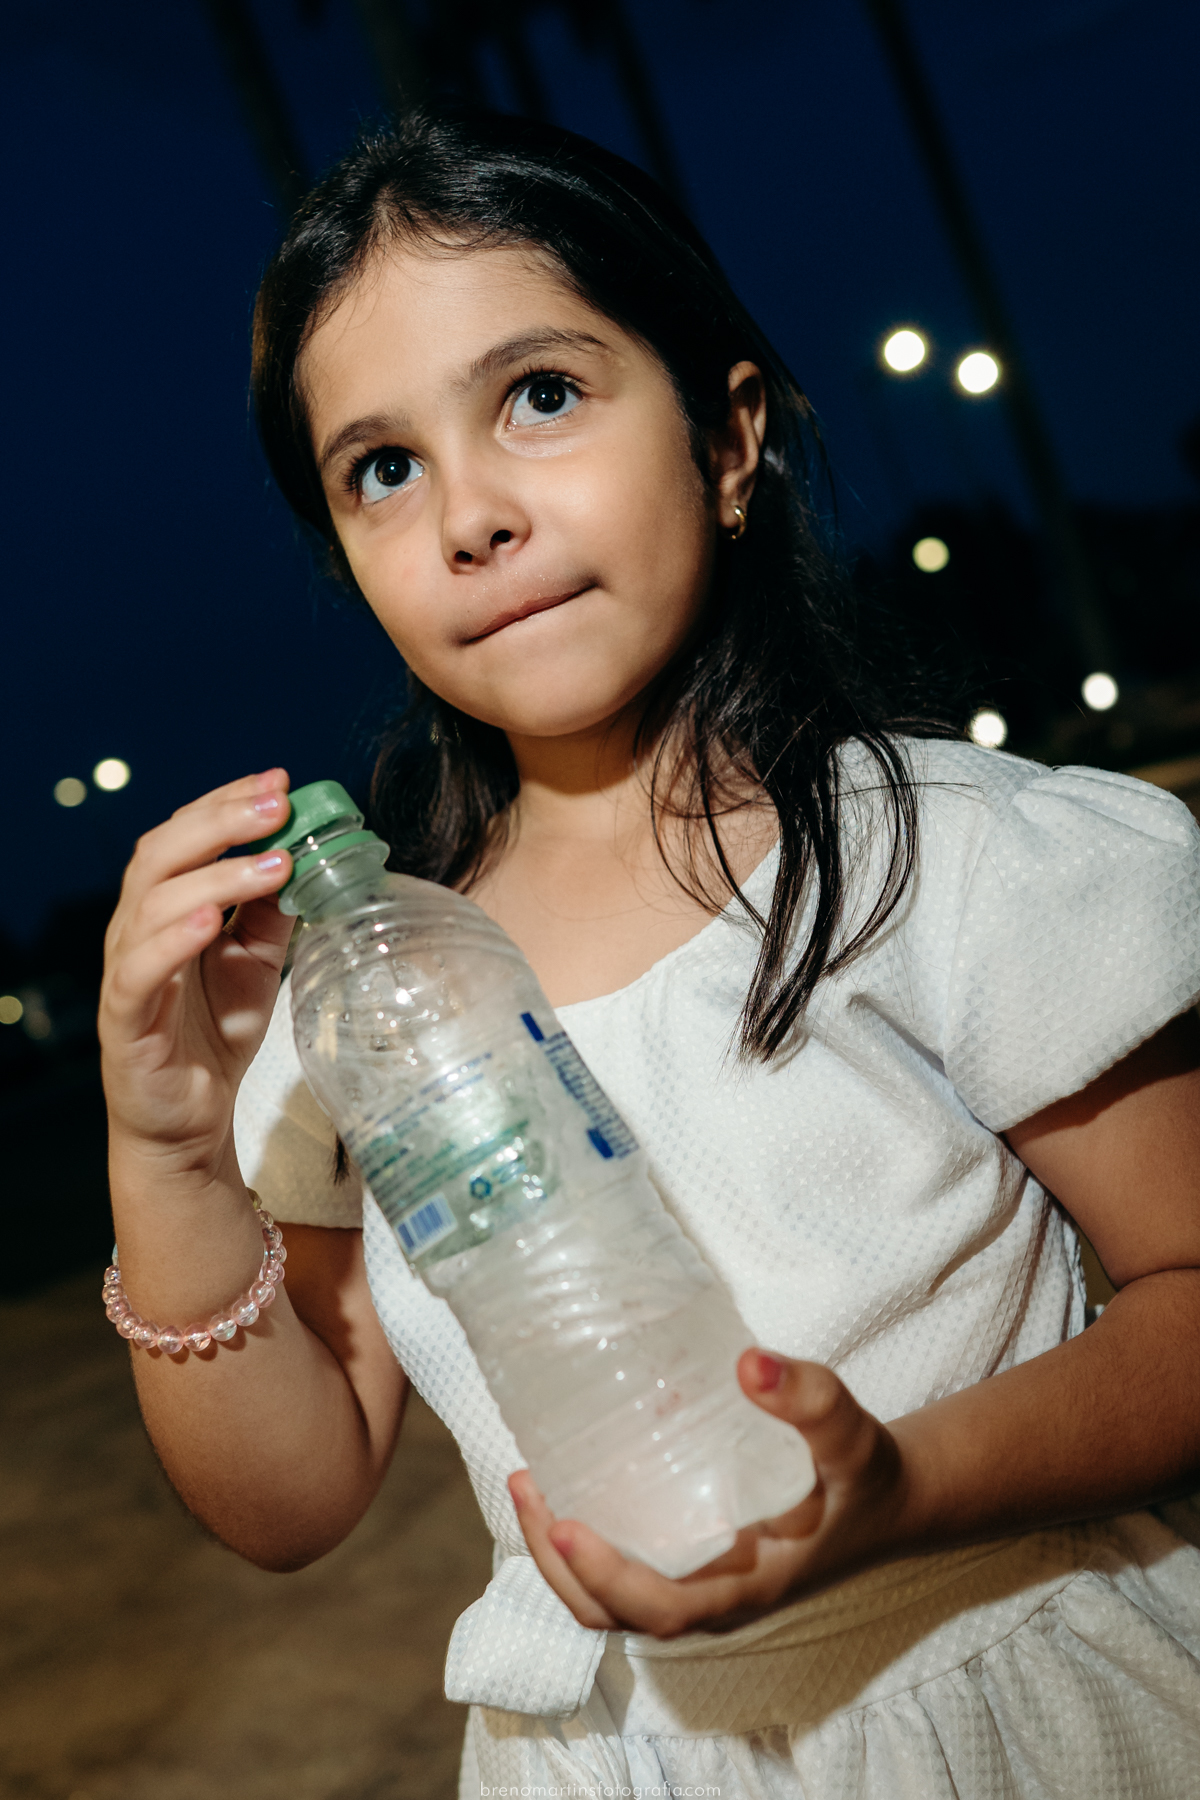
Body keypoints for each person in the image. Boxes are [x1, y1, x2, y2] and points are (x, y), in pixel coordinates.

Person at [99, 110, 1200, 1798]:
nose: (469, 515)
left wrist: (895, 1489)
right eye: (382, 469)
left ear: (729, 436)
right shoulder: (376, 988)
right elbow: (289, 1503)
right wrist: (169, 1144)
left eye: (540, 395)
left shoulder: (937, 858)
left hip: (1005, 1702)